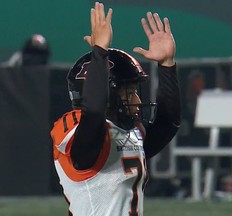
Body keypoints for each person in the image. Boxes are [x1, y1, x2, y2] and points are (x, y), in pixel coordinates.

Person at [50, 2, 181, 216]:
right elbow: (93, 115)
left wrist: (167, 65)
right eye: (129, 93)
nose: (137, 101)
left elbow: (169, 123)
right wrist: (99, 52)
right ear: (108, 94)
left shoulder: (130, 132)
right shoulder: (76, 132)